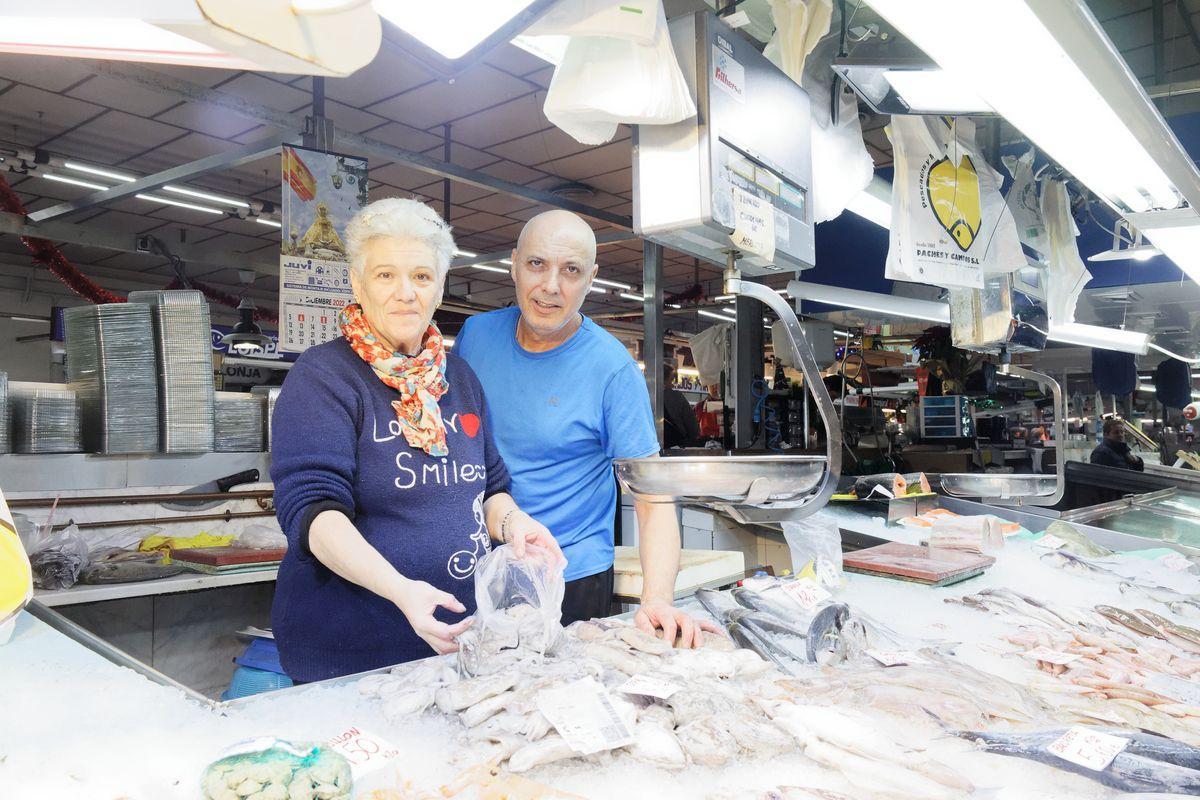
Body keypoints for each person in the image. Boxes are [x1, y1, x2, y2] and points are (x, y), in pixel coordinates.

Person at [270, 198, 561, 683]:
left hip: (456, 645)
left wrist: (516, 524)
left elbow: (489, 488)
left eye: (422, 277)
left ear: (440, 288)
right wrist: (401, 591)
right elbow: (313, 517)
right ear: (357, 283)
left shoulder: (459, 378)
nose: (405, 293)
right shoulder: (324, 377)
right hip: (353, 652)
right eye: (386, 276)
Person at [454, 210, 718, 646]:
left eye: (571, 270)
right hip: (475, 563)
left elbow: (652, 499)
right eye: (537, 264)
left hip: (568, 578)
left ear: (591, 279)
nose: (551, 286)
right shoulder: (475, 336)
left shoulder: (611, 369)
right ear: (514, 264)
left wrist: (657, 599)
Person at [662, 363, 700, 449]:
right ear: (663, 381)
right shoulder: (676, 397)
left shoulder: (644, 397)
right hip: (675, 446)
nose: (672, 385)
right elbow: (693, 428)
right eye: (671, 380)